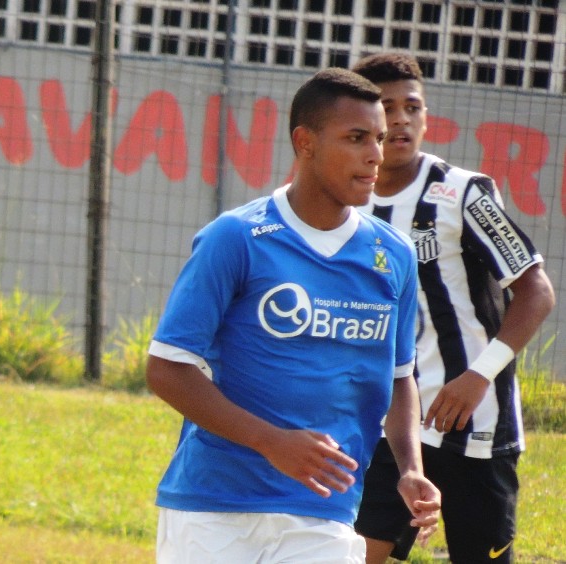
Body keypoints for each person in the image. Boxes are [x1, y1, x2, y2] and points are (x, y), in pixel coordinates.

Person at [145, 67, 441, 563]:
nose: (376, 155)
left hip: (324, 510)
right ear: (305, 142)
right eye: (356, 138)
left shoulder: (394, 256)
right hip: (214, 507)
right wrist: (271, 442)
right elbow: (167, 368)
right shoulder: (236, 237)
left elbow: (398, 376)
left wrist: (410, 467)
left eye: (380, 139)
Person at [351, 53, 555, 564]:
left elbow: (536, 290)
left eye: (411, 107)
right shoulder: (348, 202)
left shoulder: (462, 192)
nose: (399, 119)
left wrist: (477, 375)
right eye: (385, 107)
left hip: (473, 421)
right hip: (387, 422)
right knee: (355, 553)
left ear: (426, 116)